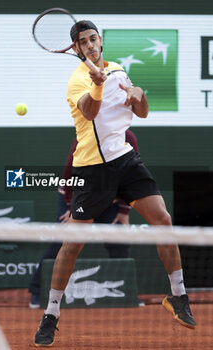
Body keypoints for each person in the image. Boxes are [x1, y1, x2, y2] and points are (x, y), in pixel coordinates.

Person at [34, 20, 196, 347]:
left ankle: (178, 295)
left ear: (100, 41)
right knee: (73, 244)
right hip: (93, 170)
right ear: (76, 49)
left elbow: (142, 113)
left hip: (125, 159)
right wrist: (95, 84)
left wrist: (140, 95)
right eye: (83, 41)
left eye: (94, 38)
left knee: (163, 221)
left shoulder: (119, 70)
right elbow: (90, 112)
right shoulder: (77, 80)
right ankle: (51, 313)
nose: (90, 44)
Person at [29, 130, 138, 308]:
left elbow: (132, 174)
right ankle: (37, 291)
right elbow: (69, 171)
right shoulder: (86, 135)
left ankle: (126, 293)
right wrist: (72, 206)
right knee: (63, 243)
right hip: (76, 196)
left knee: (119, 242)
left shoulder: (129, 138)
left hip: (109, 201)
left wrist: (124, 210)